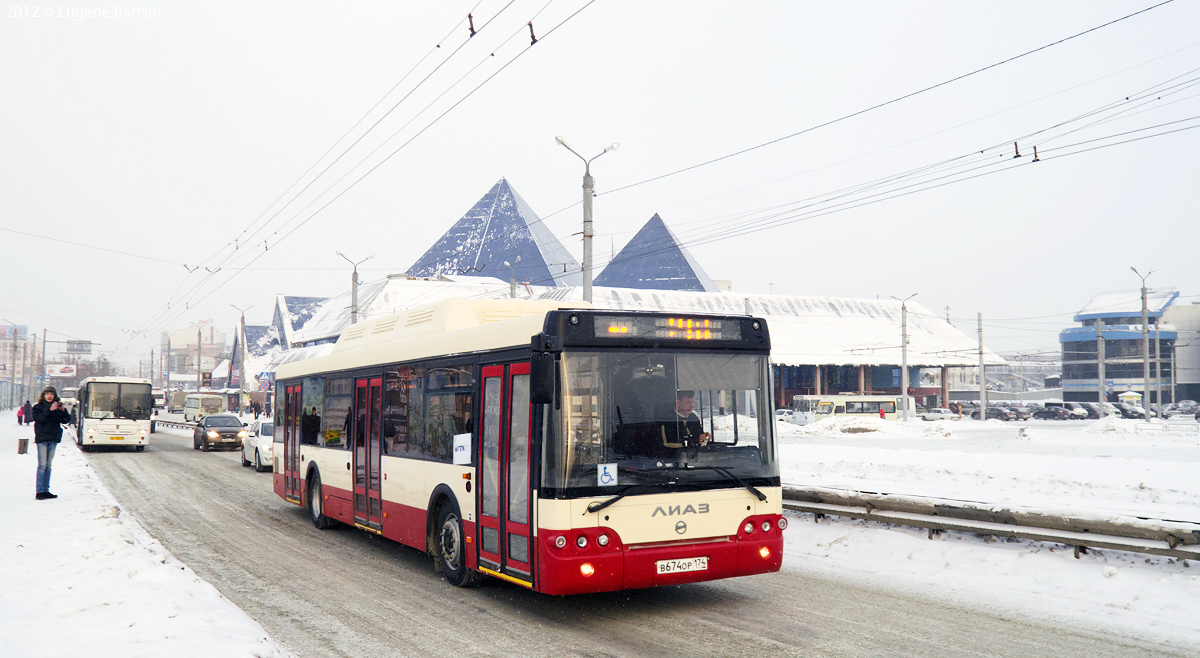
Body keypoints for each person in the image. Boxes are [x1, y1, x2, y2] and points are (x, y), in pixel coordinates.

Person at [31, 387, 71, 500]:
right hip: (42, 438)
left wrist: (63, 410)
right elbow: (39, 419)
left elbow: (66, 420)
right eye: (47, 394)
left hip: (53, 438)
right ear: (43, 395)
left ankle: (46, 490)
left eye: (51, 394)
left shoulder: (57, 407)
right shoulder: (38, 407)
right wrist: (50, 410)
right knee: (42, 465)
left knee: (48, 466)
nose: (49, 396)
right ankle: (39, 491)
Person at [657, 390, 711, 455]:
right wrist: (692, 441)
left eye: (692, 402)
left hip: (695, 458)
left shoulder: (693, 418)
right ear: (678, 402)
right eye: (688, 402)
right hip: (674, 459)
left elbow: (699, 436)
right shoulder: (668, 419)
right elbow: (666, 443)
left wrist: (705, 437)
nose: (691, 406)